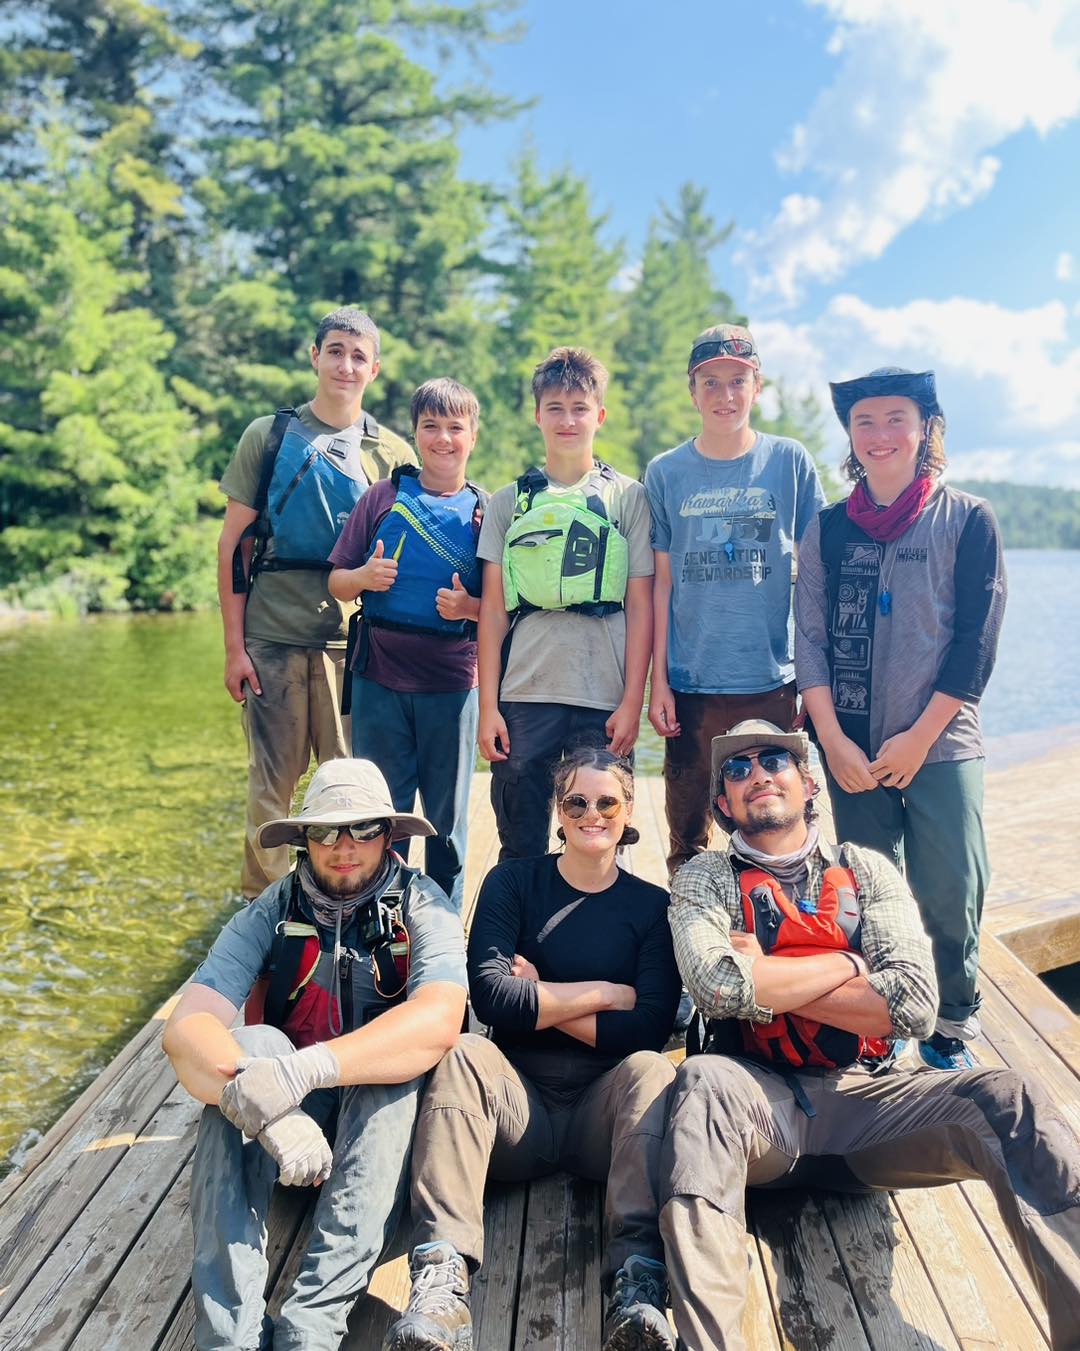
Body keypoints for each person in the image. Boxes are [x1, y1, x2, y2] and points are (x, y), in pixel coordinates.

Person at [659, 720, 1080, 1351]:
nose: (757, 776)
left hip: (868, 1107)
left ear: (807, 784)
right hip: (759, 1111)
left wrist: (769, 975)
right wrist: (857, 968)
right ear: (722, 804)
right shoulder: (704, 879)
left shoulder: (867, 870)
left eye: (774, 760)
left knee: (1011, 1098)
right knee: (700, 1081)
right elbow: (718, 988)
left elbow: (913, 1002)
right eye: (737, 771)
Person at [383, 748, 682, 1351]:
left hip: (605, 1114)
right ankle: (442, 1282)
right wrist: (604, 993)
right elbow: (493, 999)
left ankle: (638, 1280)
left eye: (607, 802)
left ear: (627, 815)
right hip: (517, 1107)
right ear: (558, 811)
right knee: (465, 1052)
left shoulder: (653, 908)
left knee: (652, 1071)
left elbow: (648, 1027)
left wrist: (541, 993)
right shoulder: (513, 882)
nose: (591, 813)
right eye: (576, 801)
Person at [163, 759, 467, 1351]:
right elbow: (185, 1028)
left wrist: (311, 1067)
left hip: (380, 1137)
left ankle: (312, 1325)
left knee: (393, 1070)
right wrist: (270, 1103)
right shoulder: (273, 910)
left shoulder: (424, 906)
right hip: (287, 1135)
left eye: (362, 830)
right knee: (249, 1047)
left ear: (389, 835)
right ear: (304, 840)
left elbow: (439, 1018)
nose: (344, 847)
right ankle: (230, 1335)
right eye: (326, 831)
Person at [794, 367, 1006, 1070]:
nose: (881, 435)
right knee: (868, 892)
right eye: (866, 423)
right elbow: (810, 642)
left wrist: (921, 735)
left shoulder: (967, 519)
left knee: (952, 887)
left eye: (896, 420)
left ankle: (951, 1021)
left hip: (942, 743)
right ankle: (881, 1022)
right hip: (850, 746)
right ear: (850, 437)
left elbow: (976, 643)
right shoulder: (825, 530)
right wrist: (831, 741)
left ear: (925, 430)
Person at [217, 306, 416, 899]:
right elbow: (234, 546)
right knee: (271, 790)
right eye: (335, 351)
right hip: (272, 637)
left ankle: (349, 905)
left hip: (354, 648)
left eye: (359, 356)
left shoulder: (394, 453)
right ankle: (263, 911)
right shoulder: (270, 435)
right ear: (315, 356)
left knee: (351, 793)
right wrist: (234, 648)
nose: (345, 365)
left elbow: (411, 557)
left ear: (374, 368)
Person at [644, 324, 826, 877]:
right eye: (712, 382)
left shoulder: (788, 461)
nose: (725, 396)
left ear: (757, 385)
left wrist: (813, 682)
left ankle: (782, 937)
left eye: (737, 381)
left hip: (770, 683)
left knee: (777, 829)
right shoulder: (666, 472)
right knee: (687, 836)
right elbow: (661, 584)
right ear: (693, 390)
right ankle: (686, 944)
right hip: (693, 686)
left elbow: (816, 573)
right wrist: (660, 682)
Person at [476, 347, 654, 860]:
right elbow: (492, 611)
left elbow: (640, 606)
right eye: (555, 407)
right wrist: (489, 706)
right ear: (537, 416)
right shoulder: (508, 502)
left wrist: (632, 701)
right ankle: (518, 934)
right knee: (520, 833)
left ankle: (597, 935)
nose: (567, 419)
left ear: (599, 415)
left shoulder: (629, 497)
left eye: (579, 407)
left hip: (603, 693)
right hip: (525, 690)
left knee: (600, 832)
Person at [327, 378, 486, 912]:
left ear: (473, 435)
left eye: (455, 428)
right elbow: (336, 582)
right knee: (382, 811)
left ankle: (441, 929)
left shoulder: (489, 513)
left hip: (453, 683)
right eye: (430, 427)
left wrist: (469, 610)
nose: (443, 439)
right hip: (379, 678)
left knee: (448, 820)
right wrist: (365, 577)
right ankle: (382, 922)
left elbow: (507, 611)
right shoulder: (384, 496)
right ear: (415, 434)